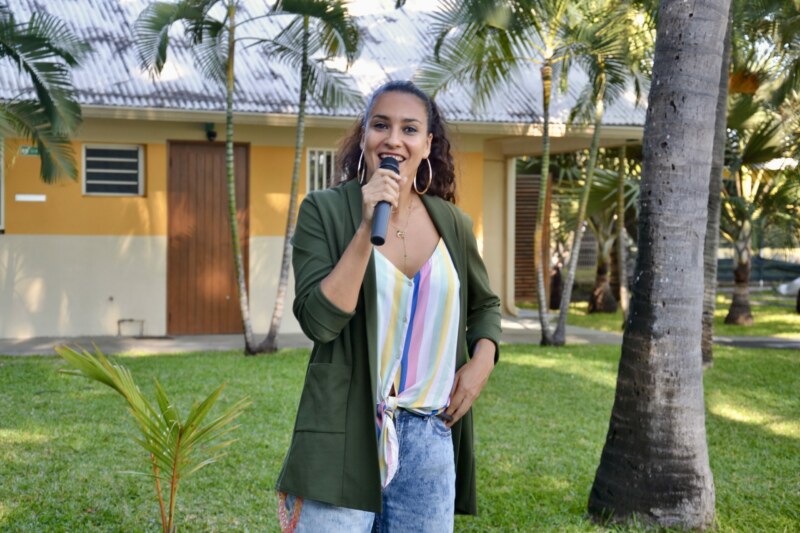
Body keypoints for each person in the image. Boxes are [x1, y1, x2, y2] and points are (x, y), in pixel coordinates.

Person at [275, 80, 501, 532]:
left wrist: (483, 360)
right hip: (344, 432)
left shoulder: (452, 223)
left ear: (427, 144)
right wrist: (365, 229)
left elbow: (484, 305)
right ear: (364, 136)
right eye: (381, 125)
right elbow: (319, 322)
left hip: (431, 437)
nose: (393, 139)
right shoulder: (323, 211)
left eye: (409, 129)